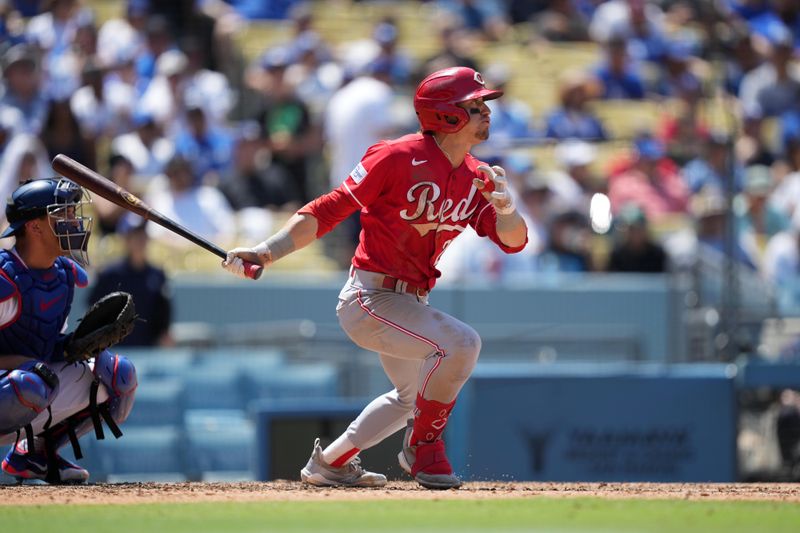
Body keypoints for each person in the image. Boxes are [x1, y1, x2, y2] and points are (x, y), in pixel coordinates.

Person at [222, 66, 528, 489]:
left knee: (408, 399)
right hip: (370, 297)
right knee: (462, 344)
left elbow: (514, 243)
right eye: (474, 105)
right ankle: (424, 448)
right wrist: (267, 251)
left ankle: (329, 463)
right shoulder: (395, 157)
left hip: (410, 303)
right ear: (446, 115)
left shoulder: (477, 176)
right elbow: (329, 208)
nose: (485, 112)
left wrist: (507, 208)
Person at [0, 178, 137, 483]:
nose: (74, 221)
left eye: (73, 212)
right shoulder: (5, 279)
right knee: (32, 382)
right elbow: (29, 362)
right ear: (35, 227)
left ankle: (34, 455)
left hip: (30, 382)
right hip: (16, 385)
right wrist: (23, 362)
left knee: (118, 375)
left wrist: (72, 346)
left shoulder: (63, 276)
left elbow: (43, 346)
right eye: (63, 214)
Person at [89, 215, 172, 347]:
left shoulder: (157, 274)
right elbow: (94, 310)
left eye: (143, 234)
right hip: (115, 351)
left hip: (149, 351)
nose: (140, 240)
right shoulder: (110, 274)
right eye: (135, 235)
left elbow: (163, 313)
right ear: (126, 239)